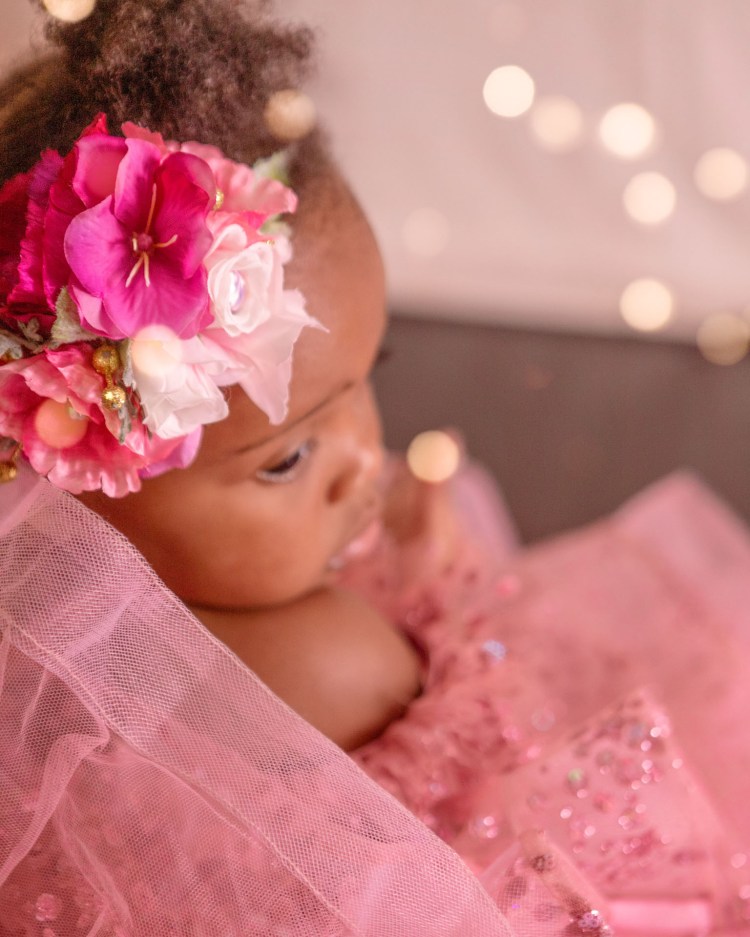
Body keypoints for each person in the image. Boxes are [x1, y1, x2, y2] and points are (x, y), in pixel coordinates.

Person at [1, 1, 749, 935]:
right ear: (73, 491)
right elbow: (492, 720)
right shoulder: (333, 656)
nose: (366, 458)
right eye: (291, 458)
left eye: (368, 379)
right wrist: (434, 580)